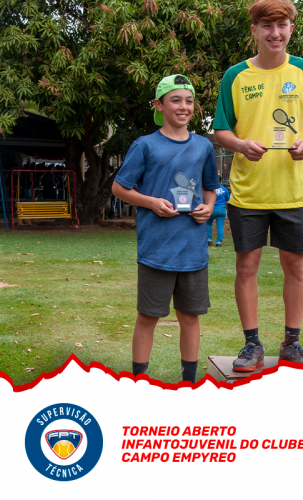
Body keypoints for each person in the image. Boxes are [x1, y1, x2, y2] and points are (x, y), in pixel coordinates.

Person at [213, 0, 303, 371]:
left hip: (293, 191)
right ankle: (252, 345)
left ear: (291, 29)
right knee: (246, 268)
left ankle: (292, 344)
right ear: (255, 30)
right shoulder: (235, 76)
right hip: (248, 192)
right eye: (267, 26)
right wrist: (240, 145)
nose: (274, 33)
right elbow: (221, 130)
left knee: (295, 269)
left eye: (281, 25)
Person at [112, 74, 220, 383]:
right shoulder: (145, 145)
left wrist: (208, 206)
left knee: (190, 317)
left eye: (189, 101)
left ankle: (188, 382)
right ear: (159, 105)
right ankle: (139, 382)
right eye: (175, 100)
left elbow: (210, 187)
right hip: (156, 249)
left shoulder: (203, 146)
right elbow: (119, 188)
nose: (183, 107)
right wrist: (151, 203)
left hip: (193, 250)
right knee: (148, 317)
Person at [207, 174, 230, 247]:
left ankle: (209, 240)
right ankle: (218, 242)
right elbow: (227, 201)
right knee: (220, 226)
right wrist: (226, 209)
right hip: (221, 209)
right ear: (220, 181)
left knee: (208, 224)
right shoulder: (224, 189)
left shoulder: (210, 189)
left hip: (212, 209)